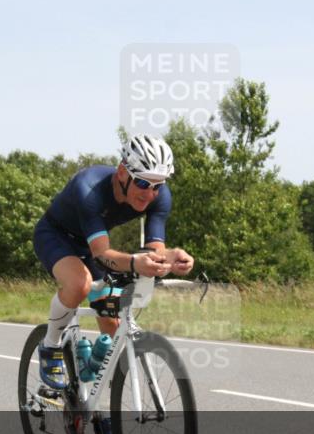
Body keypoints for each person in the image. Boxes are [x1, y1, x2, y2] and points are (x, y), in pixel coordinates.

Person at [32, 134, 194, 390]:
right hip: (56, 236)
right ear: (122, 172)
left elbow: (154, 251)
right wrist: (134, 262)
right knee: (80, 284)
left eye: (157, 185)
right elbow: (102, 254)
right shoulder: (89, 189)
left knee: (111, 323)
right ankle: (50, 345)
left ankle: (97, 404)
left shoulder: (159, 197)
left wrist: (171, 258)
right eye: (142, 182)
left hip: (92, 245)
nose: (150, 194)